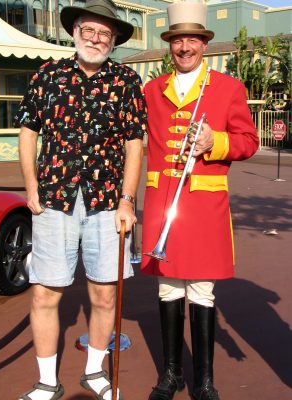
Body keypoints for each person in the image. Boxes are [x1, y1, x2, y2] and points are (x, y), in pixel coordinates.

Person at [14, 1, 147, 399]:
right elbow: (27, 132)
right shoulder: (47, 75)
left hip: (107, 201)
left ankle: (93, 372)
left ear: (114, 40)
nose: (96, 39)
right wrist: (31, 186)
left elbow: (134, 144)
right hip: (55, 197)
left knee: (104, 293)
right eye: (89, 30)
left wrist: (127, 200)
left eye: (105, 34)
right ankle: (46, 382)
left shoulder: (125, 80)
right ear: (75, 32)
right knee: (44, 292)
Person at [141, 1, 259, 400]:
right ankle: (171, 375)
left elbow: (249, 141)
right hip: (164, 203)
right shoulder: (151, 90)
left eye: (192, 39)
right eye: (178, 40)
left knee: (202, 290)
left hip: (205, 205)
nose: (184, 47)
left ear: (204, 45)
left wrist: (215, 141)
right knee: (168, 288)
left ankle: (205, 381)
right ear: (170, 46)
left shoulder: (228, 88)